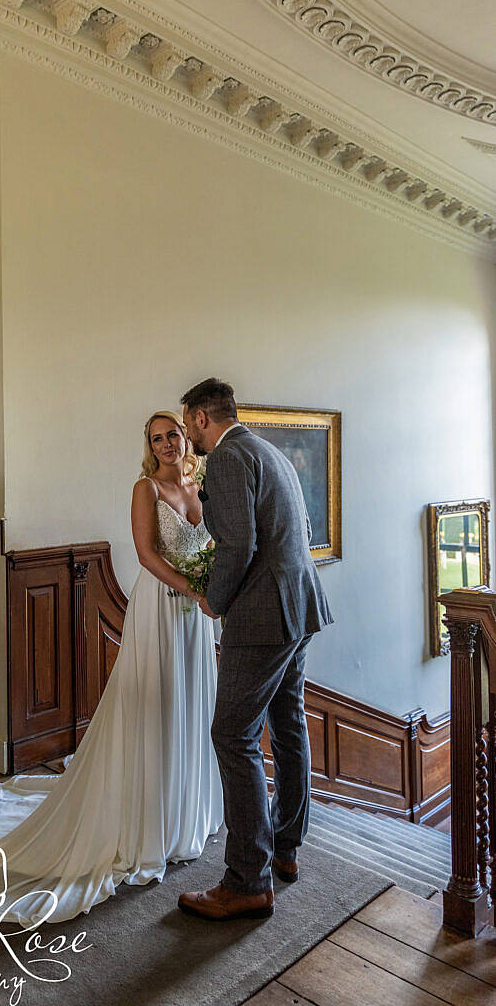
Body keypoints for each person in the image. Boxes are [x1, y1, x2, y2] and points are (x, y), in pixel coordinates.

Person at [0, 411, 223, 927]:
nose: (168, 443)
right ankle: (149, 822)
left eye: (173, 433)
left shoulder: (201, 482)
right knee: (155, 704)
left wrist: (210, 582)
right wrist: (193, 587)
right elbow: (148, 555)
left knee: (190, 704)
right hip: (164, 609)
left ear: (185, 435)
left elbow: (214, 543)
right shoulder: (144, 488)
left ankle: (184, 813)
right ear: (149, 447)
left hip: (197, 616)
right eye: (157, 438)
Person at [178, 378, 334, 921]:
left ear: (201, 418)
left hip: (263, 617)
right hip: (301, 605)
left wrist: (215, 600)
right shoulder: (267, 449)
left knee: (233, 733)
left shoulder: (226, 457)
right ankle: (285, 848)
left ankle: (247, 879)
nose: (189, 436)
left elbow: (238, 544)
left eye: (187, 424)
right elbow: (296, 527)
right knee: (288, 724)